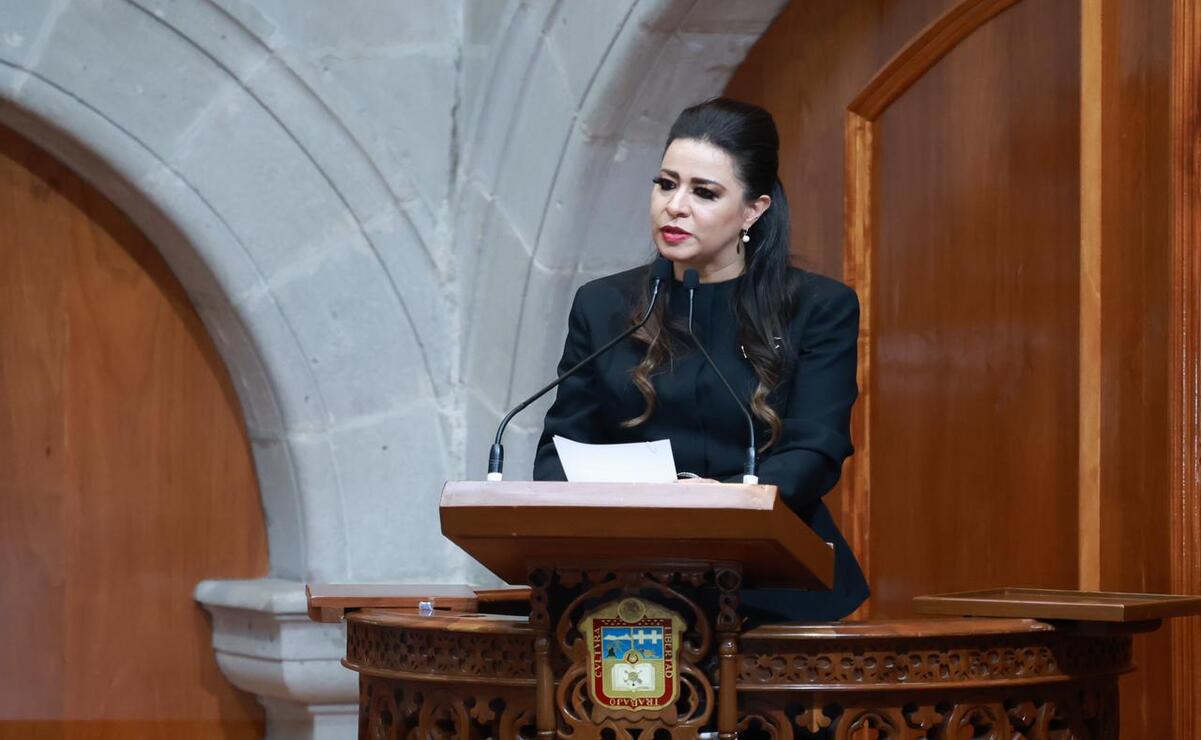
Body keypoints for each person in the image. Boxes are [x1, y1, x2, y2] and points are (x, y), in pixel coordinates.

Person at [532, 98, 868, 622]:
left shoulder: (818, 308)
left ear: (753, 209)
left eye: (704, 192)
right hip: (621, 587)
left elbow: (815, 449)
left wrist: (724, 501)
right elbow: (559, 455)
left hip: (772, 587)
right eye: (666, 184)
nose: (675, 206)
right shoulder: (603, 305)